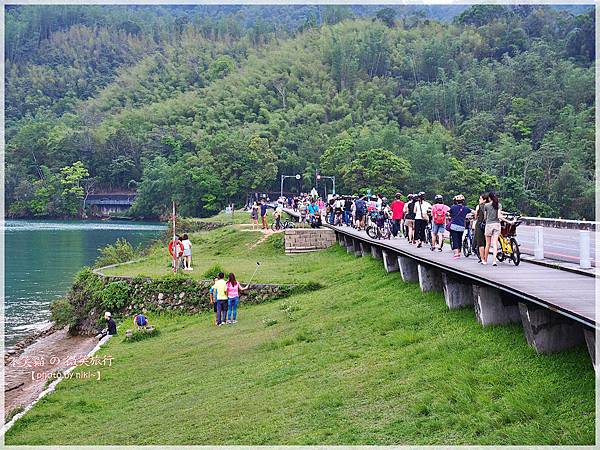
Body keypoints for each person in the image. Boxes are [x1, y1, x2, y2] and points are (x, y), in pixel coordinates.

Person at [483, 192, 504, 266]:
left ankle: (485, 260)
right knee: (495, 244)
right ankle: (494, 261)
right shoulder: (499, 205)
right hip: (497, 225)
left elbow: (485, 217)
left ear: (489, 198)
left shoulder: (486, 205)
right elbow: (499, 216)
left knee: (487, 244)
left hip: (488, 225)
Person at [448, 194, 471, 259]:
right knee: (459, 239)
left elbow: (448, 213)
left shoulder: (453, 207)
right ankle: (459, 252)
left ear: (456, 201)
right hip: (461, 227)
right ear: (463, 201)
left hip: (454, 226)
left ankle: (456, 254)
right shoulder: (466, 208)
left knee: (455, 239)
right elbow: (473, 212)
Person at [473, 193, 489, 263]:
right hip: (487, 225)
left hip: (479, 225)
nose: (479, 200)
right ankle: (485, 258)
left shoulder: (479, 206)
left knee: (480, 243)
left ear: (484, 200)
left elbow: (476, 216)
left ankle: (482, 259)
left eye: (480, 199)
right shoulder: (490, 206)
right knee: (486, 243)